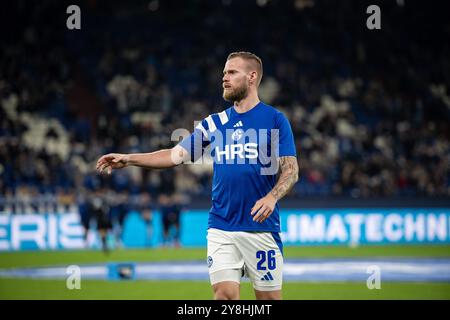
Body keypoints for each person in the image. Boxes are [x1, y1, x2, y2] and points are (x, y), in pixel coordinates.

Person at [96, 52, 299, 300]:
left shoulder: (275, 120)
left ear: (252, 77)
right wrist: (129, 158)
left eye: (232, 72)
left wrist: (271, 197)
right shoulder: (214, 123)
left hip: (261, 229)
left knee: (268, 301)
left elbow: (291, 170)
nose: (224, 77)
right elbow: (174, 155)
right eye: (224, 72)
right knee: (224, 296)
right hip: (221, 226)